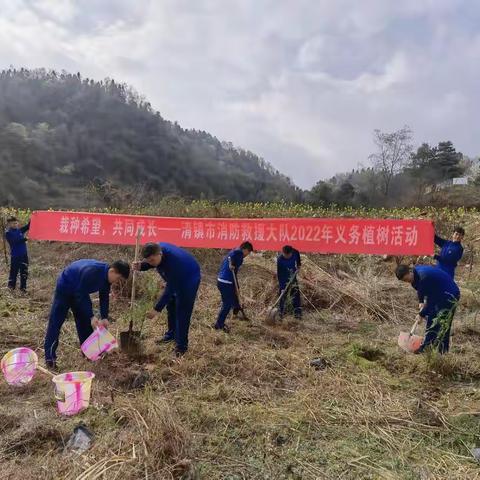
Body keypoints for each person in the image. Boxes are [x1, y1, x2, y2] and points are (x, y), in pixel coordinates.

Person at [44, 259, 130, 369]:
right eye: (118, 279)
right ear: (113, 271)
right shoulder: (92, 272)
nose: (116, 282)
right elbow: (80, 294)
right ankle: (50, 359)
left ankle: (89, 353)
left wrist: (104, 317)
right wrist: (91, 316)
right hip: (65, 288)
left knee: (84, 323)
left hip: (80, 292)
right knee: (55, 323)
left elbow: (104, 297)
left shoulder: (106, 278)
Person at [133, 242, 201, 356]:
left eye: (152, 260)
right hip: (176, 276)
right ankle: (171, 334)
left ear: (160, 253)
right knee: (171, 306)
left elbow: (170, 288)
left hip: (189, 278)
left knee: (182, 312)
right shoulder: (157, 250)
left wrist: (157, 309)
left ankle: (181, 347)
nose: (150, 263)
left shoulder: (174, 264)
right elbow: (152, 263)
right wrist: (142, 266)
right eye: (147, 260)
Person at [395, 264, 460, 354]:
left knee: (443, 323)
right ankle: (427, 347)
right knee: (432, 318)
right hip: (440, 292)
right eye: (404, 281)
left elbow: (432, 301)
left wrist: (421, 314)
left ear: (409, 271)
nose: (407, 282)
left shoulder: (424, 277)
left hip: (449, 295)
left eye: (407, 279)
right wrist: (421, 301)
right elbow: (420, 289)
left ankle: (443, 352)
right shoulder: (415, 274)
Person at [214, 241, 253, 332]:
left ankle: (236, 309)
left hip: (220, 280)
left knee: (231, 300)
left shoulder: (233, 252)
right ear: (245, 249)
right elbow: (234, 272)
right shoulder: (239, 255)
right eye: (248, 252)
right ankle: (219, 324)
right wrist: (237, 287)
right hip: (227, 281)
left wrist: (237, 287)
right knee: (227, 304)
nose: (247, 255)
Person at [5, 216, 30, 292]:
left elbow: (28, 226)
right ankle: (11, 287)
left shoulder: (19, 230)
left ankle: (23, 288)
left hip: (24, 255)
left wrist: (34, 219)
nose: (15, 225)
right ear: (9, 224)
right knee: (14, 272)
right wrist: (25, 239)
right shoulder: (8, 233)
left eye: (16, 223)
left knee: (24, 271)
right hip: (16, 256)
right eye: (13, 223)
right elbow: (15, 241)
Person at [277, 245, 302, 319]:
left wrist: (298, 266)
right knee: (282, 295)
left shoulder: (295, 252)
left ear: (291, 253)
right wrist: (282, 287)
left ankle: (297, 314)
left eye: (288, 255)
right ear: (283, 252)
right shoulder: (280, 259)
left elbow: (298, 262)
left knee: (295, 294)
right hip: (284, 277)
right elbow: (280, 274)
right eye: (285, 255)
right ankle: (281, 313)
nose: (287, 257)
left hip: (292, 276)